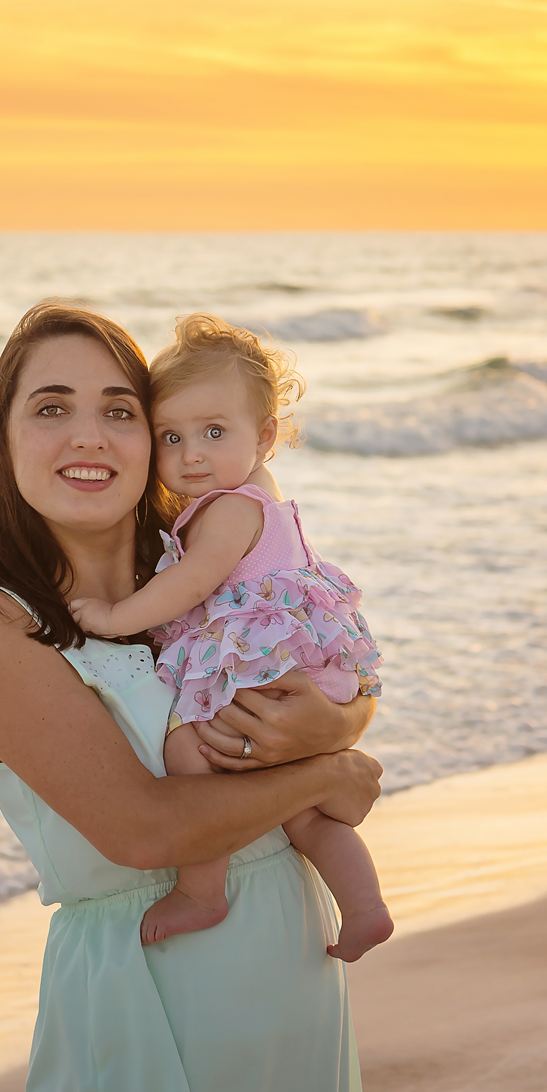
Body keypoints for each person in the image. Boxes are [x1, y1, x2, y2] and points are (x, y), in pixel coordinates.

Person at [0, 300, 381, 1092]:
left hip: (291, 965)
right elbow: (143, 831)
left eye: (120, 411)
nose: (90, 436)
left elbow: (322, 650)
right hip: (151, 990)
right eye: (52, 407)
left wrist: (345, 722)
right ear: (3, 438)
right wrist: (330, 769)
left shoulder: (192, 569)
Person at [69, 314, 391, 962]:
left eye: (214, 432)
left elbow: (192, 582)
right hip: (302, 663)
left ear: (265, 436)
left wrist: (113, 617)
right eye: (171, 436)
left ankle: (201, 889)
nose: (191, 454)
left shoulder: (228, 508)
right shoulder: (260, 491)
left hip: (263, 662)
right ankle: (365, 907)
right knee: (303, 817)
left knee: (191, 754)